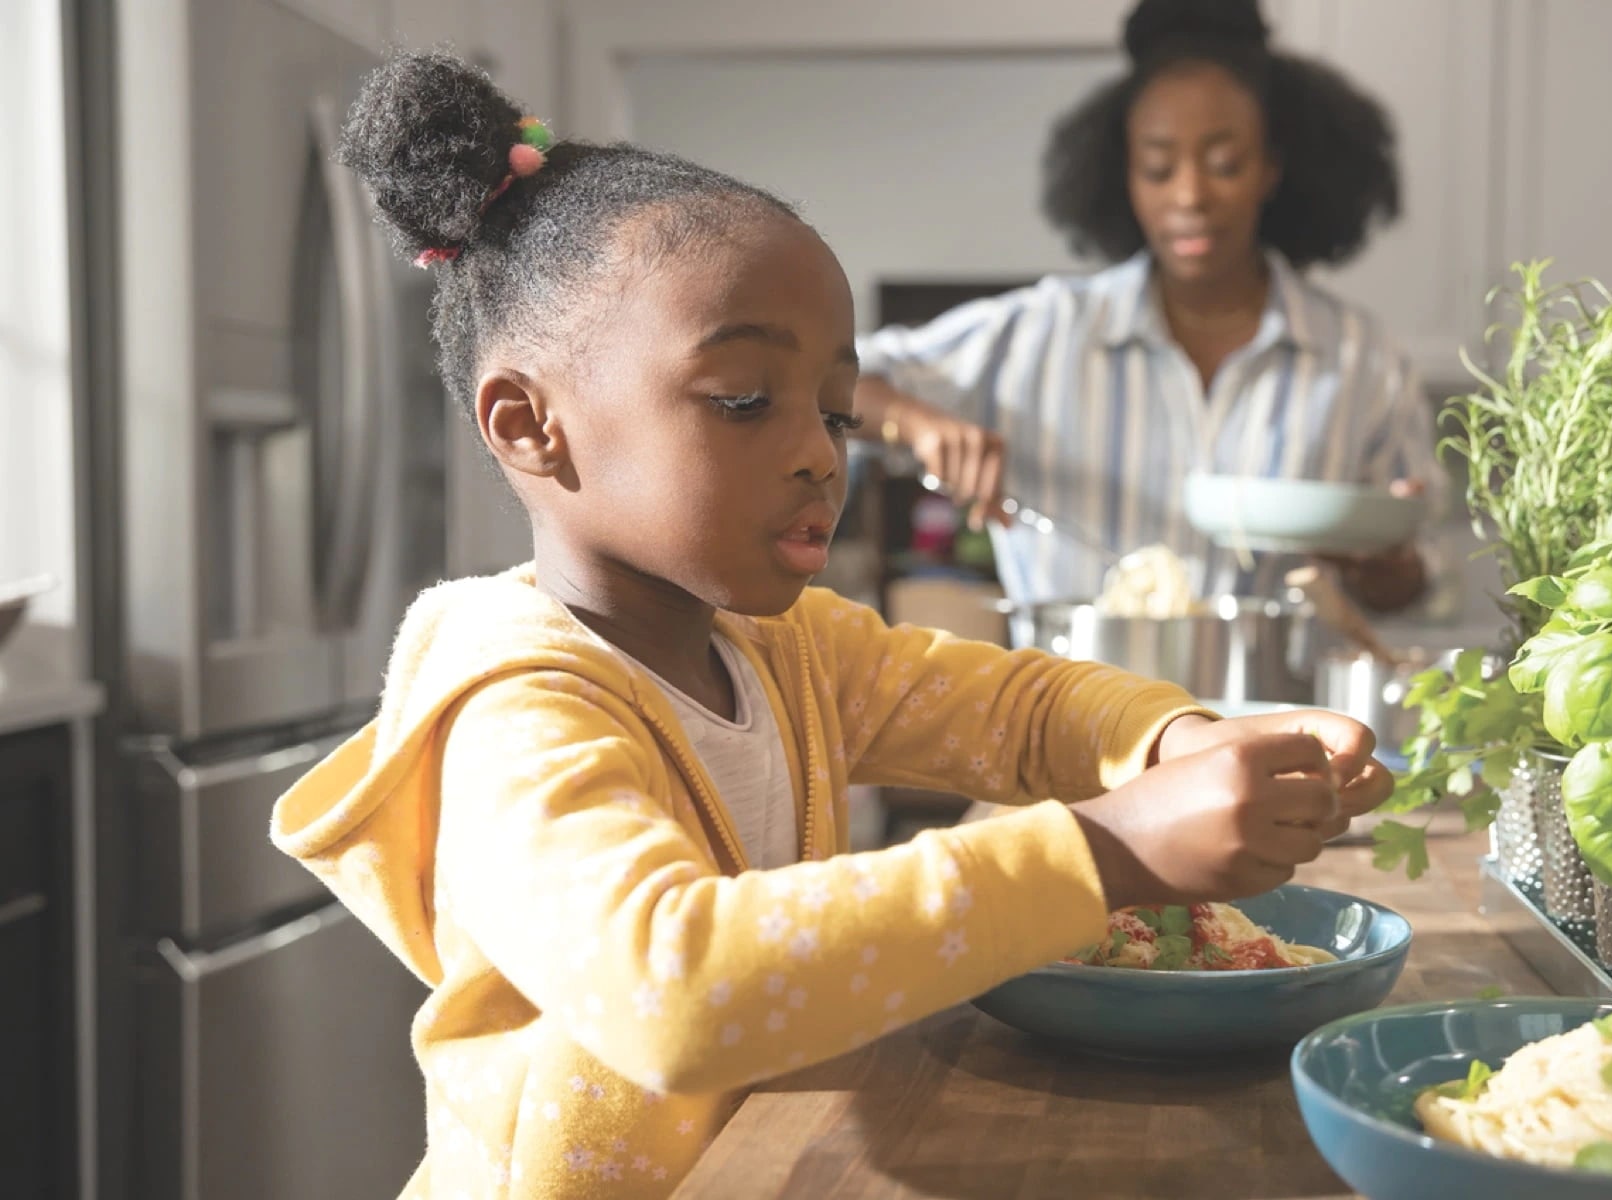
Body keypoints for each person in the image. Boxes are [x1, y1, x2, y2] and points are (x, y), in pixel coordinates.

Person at [270, 51, 1392, 1199]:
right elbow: (677, 991)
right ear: (529, 426)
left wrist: (1181, 742)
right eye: (746, 401)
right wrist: (1106, 850)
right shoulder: (513, 712)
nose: (817, 450)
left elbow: (1019, 708)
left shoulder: (787, 648)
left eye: (839, 411)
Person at [853, 0, 1441, 613]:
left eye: (1224, 164)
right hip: (1070, 706)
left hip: (1281, 704)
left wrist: (1390, 571)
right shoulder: (1042, 332)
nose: (1190, 195)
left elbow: (1418, 576)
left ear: (1271, 168)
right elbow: (823, 381)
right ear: (1123, 176)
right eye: (1159, 168)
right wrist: (916, 423)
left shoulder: (1363, 361)